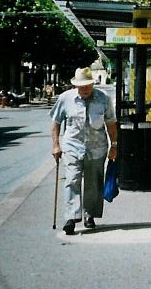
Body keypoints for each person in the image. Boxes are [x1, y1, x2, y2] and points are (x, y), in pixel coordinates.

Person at [50, 67, 118, 235]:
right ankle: (71, 217)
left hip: (97, 148)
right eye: (81, 86)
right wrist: (56, 145)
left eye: (87, 85)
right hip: (72, 146)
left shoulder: (103, 98)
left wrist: (114, 145)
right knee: (72, 179)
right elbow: (56, 122)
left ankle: (90, 214)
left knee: (93, 183)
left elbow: (111, 123)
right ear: (76, 85)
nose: (85, 89)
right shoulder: (65, 98)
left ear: (93, 84)